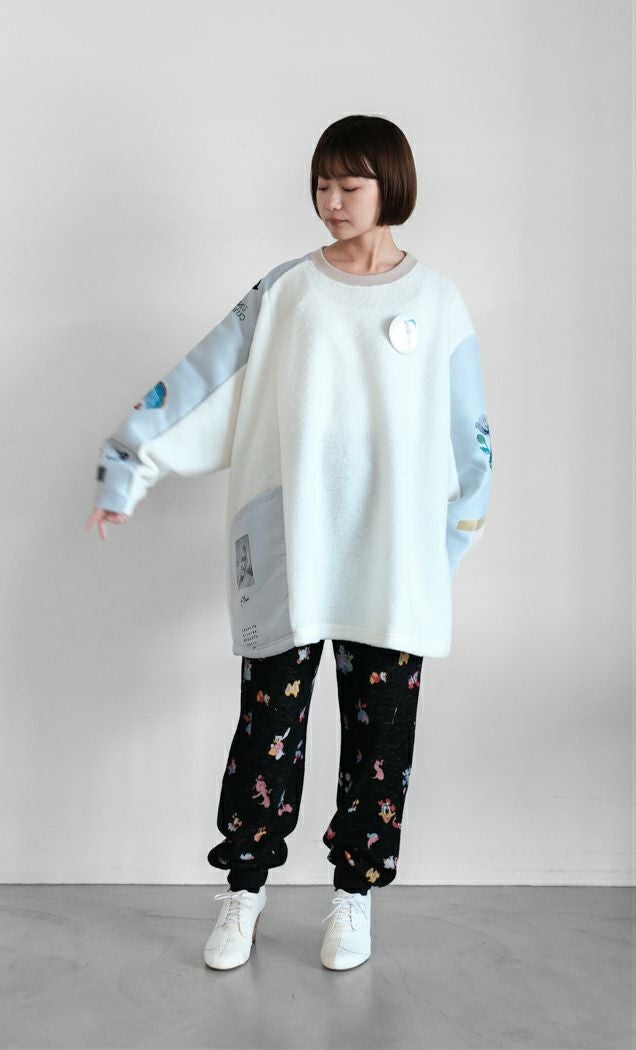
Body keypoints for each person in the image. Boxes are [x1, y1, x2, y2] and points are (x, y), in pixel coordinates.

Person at [85, 114, 493, 971]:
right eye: (322, 184)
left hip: (391, 560)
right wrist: (129, 465)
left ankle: (354, 899)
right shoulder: (288, 291)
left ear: (390, 187)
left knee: (381, 742)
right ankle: (244, 892)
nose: (331, 201)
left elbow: (472, 442)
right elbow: (202, 381)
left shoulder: (437, 302)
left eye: (350, 185)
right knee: (267, 727)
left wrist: (446, 549)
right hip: (295, 551)